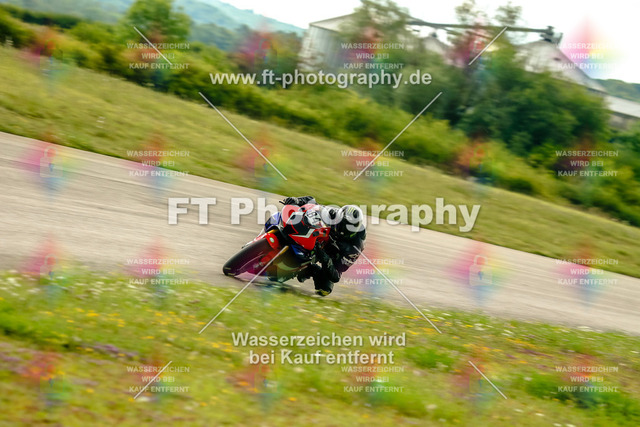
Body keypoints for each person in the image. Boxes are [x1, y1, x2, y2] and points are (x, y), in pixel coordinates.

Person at [281, 196, 366, 296]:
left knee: (325, 289)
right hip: (319, 239)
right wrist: (297, 200)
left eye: (347, 228)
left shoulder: (355, 248)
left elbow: (336, 275)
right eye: (341, 224)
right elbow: (313, 203)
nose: (342, 229)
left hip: (330, 255)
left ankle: (309, 269)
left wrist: (325, 258)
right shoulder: (334, 213)